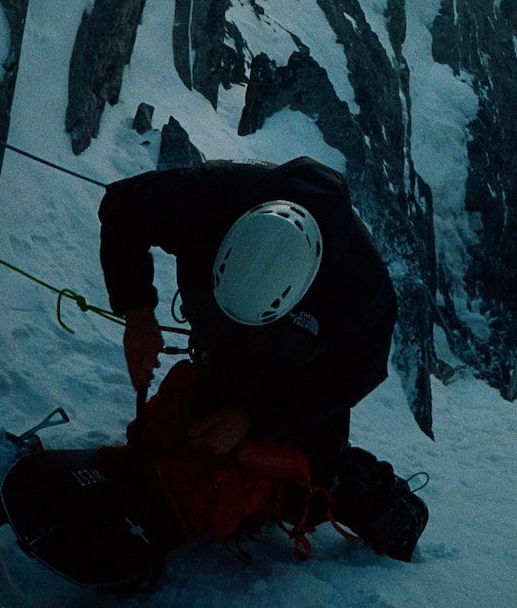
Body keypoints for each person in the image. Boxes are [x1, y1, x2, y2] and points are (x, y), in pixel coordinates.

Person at [98, 155, 426, 559]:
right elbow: (122, 207)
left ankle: (375, 496)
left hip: (294, 377)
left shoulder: (361, 287)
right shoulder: (207, 198)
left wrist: (255, 417)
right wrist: (137, 314)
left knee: (303, 474)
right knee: (186, 438)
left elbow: (352, 376)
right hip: (219, 347)